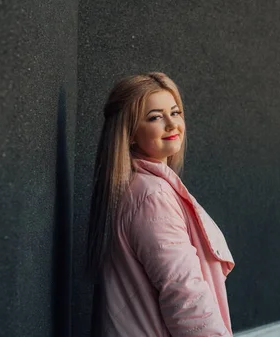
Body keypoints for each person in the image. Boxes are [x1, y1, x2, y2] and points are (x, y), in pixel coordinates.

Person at [86, 72, 235, 336]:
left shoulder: (133, 186)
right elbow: (184, 290)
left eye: (175, 112)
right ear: (129, 133)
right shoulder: (152, 196)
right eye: (155, 117)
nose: (172, 124)